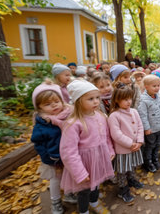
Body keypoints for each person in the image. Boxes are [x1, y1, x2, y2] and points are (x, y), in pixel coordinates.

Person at [60, 79, 115, 214]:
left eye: (97, 97)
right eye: (90, 99)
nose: (96, 101)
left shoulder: (100, 115)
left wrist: (110, 149)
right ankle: (84, 211)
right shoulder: (74, 123)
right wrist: (79, 172)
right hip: (84, 163)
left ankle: (94, 202)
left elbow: (106, 136)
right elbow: (68, 152)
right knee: (84, 190)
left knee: (96, 183)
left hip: (99, 158)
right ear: (79, 101)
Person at [31, 80, 73, 214]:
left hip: (70, 155)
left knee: (70, 176)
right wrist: (48, 157)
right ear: (40, 108)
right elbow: (38, 144)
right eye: (47, 104)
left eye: (56, 101)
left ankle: (68, 194)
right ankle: (55, 202)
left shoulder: (69, 115)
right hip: (54, 158)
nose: (54, 105)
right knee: (55, 180)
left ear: (62, 100)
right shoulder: (42, 124)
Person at [108, 86, 144, 203]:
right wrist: (130, 144)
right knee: (122, 170)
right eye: (125, 99)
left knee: (132, 165)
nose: (129, 101)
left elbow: (139, 126)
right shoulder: (114, 115)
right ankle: (123, 189)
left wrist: (139, 141)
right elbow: (116, 134)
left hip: (135, 147)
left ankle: (132, 179)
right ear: (117, 100)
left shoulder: (134, 111)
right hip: (124, 149)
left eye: (130, 98)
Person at [137, 75, 160, 173]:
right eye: (154, 86)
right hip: (151, 129)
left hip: (159, 127)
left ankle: (155, 159)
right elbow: (143, 115)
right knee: (150, 145)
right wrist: (146, 128)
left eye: (158, 85)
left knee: (158, 144)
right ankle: (148, 162)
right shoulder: (143, 100)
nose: (157, 88)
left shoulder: (158, 97)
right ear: (146, 86)